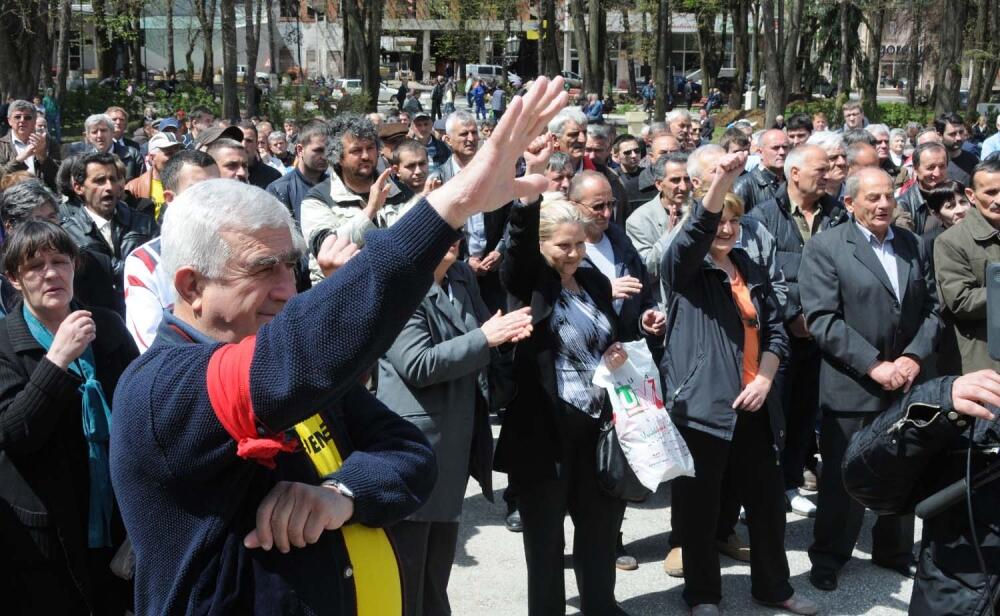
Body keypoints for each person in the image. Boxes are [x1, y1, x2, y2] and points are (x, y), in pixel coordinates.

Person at [110, 75, 570, 616]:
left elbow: (410, 455)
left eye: (289, 265)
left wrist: (341, 495)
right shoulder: (161, 389)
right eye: (261, 270)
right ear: (190, 286)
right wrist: (451, 205)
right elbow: (301, 352)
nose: (286, 288)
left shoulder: (289, 369)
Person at [661, 150, 815, 616]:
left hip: (754, 402)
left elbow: (774, 330)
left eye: (734, 222)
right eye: (718, 222)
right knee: (700, 507)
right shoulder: (684, 267)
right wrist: (720, 183)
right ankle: (703, 594)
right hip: (704, 407)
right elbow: (692, 235)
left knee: (767, 506)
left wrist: (766, 379)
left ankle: (774, 588)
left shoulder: (749, 264)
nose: (726, 230)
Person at [497, 189, 644, 615]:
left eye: (579, 243)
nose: (574, 253)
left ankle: (601, 605)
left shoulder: (593, 280)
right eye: (563, 245)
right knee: (545, 545)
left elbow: (604, 336)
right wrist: (524, 205)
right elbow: (517, 255)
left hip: (597, 428)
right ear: (541, 245)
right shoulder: (531, 284)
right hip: (544, 433)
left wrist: (615, 352)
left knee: (600, 532)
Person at [799, 167, 941, 592]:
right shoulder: (826, 247)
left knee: (902, 469)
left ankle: (893, 550)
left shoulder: (912, 245)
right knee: (846, 477)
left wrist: (914, 356)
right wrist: (875, 364)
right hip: (853, 385)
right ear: (849, 203)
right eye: (872, 198)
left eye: (888, 198)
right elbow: (822, 319)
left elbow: (933, 309)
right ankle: (829, 555)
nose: (882, 205)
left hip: (906, 383)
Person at [377, 240, 532, 616]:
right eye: (438, 228)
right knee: (407, 567)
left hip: (456, 436)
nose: (451, 237)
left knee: (435, 565)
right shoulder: (400, 284)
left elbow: (483, 326)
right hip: (414, 442)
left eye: (455, 229)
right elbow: (417, 363)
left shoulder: (460, 275)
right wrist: (485, 338)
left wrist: (503, 335)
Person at [0, 220, 139, 615]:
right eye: (34, 266)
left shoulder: (106, 325)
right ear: (14, 278)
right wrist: (57, 360)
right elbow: (15, 434)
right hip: (50, 532)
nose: (50, 274)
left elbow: (139, 407)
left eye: (60, 261)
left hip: (118, 514)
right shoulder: (5, 343)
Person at [747, 145, 846, 517]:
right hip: (780, 337)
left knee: (805, 414)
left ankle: (790, 482)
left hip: (824, 335)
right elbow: (762, 276)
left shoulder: (837, 216)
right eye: (821, 169)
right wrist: (792, 315)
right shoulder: (763, 217)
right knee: (774, 416)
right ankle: (760, 489)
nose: (829, 174)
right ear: (794, 173)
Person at [123, 150, 220, 352]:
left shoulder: (241, 250)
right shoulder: (145, 263)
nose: (212, 200)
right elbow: (150, 346)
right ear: (170, 198)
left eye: (217, 190)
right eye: (198, 192)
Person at [300, 113, 411, 282]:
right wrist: (370, 210)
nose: (366, 156)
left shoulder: (400, 193)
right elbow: (328, 252)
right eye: (356, 150)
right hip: (343, 295)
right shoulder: (317, 199)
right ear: (338, 156)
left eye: (370, 148)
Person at [434, 111, 510, 312]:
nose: (471, 139)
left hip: (494, 271)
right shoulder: (439, 180)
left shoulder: (494, 174)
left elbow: (511, 217)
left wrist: (499, 250)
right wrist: (465, 261)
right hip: (456, 275)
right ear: (448, 140)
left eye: (474, 133)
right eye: (463, 134)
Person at [933, 159, 1000, 376]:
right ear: (971, 195)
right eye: (991, 192)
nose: (998, 200)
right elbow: (961, 301)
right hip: (985, 363)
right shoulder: (951, 241)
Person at [60, 152, 158, 294]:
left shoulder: (144, 223)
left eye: (113, 179)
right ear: (78, 187)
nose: (109, 187)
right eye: (100, 181)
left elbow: (159, 268)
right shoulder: (69, 233)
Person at [625, 152, 692, 282]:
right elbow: (646, 270)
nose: (683, 187)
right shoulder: (638, 221)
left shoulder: (699, 210)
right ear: (659, 184)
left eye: (687, 179)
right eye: (675, 180)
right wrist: (668, 237)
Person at [266, 119, 331, 225]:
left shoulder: (336, 186)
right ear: (300, 150)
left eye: (329, 150)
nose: (324, 156)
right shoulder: (279, 190)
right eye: (318, 150)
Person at [123, 131, 184, 222]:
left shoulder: (188, 183)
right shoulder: (133, 188)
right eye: (169, 153)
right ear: (152, 158)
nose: (175, 158)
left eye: (178, 153)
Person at [0, 99, 59, 190]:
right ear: (9, 121)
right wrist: (20, 158)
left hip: (44, 197)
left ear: (35, 120)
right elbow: (2, 178)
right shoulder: (1, 145)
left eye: (27, 117)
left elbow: (59, 177)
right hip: (12, 197)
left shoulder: (49, 143)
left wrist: (42, 155)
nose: (22, 120)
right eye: (17, 117)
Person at [897, 142, 950, 234]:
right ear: (915, 169)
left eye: (942, 166)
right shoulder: (902, 205)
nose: (937, 173)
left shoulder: (957, 195)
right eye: (930, 167)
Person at [734, 129, 789, 212]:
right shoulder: (743, 185)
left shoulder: (793, 180)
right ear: (760, 152)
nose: (782, 152)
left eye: (785, 147)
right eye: (775, 148)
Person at [238, 122, 283, 189]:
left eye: (249, 141)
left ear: (256, 144)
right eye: (239, 139)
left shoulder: (273, 177)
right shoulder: (223, 173)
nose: (243, 145)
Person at [806, 131, 848, 202]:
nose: (842, 162)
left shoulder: (857, 195)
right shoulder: (806, 200)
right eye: (833, 157)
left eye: (844, 156)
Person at [936, 112, 979, 179]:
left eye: (961, 132)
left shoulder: (973, 161)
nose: (958, 138)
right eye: (952, 134)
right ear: (940, 136)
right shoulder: (932, 162)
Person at [105, 106, 143, 181]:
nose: (118, 122)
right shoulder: (102, 145)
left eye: (121, 120)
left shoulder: (134, 145)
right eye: (114, 119)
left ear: (125, 124)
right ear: (106, 122)